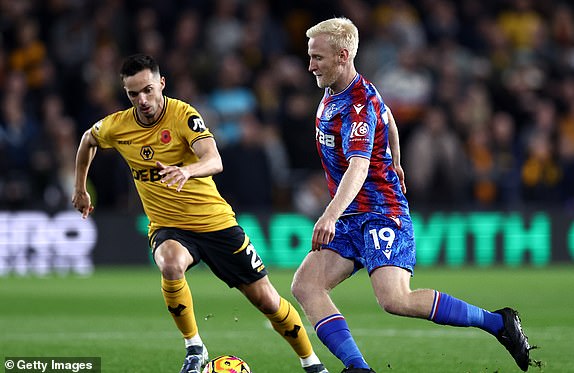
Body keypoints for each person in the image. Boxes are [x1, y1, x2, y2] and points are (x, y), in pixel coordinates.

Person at [290, 17, 534, 373]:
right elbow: (388, 118)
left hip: (379, 212)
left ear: (343, 56)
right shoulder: (334, 93)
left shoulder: (357, 104)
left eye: (317, 58)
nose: (310, 65)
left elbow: (358, 168)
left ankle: (499, 323)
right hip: (351, 214)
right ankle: (358, 368)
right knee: (306, 286)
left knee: (394, 299)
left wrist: (328, 214)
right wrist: (397, 160)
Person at [72, 54, 328, 373]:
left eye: (148, 90)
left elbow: (214, 159)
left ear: (161, 83)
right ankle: (194, 346)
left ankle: (311, 362)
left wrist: (187, 171)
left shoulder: (183, 115)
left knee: (267, 301)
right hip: (169, 226)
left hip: (215, 224)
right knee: (169, 262)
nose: (142, 100)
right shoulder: (118, 126)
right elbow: (87, 140)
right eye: (133, 94)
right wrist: (80, 188)